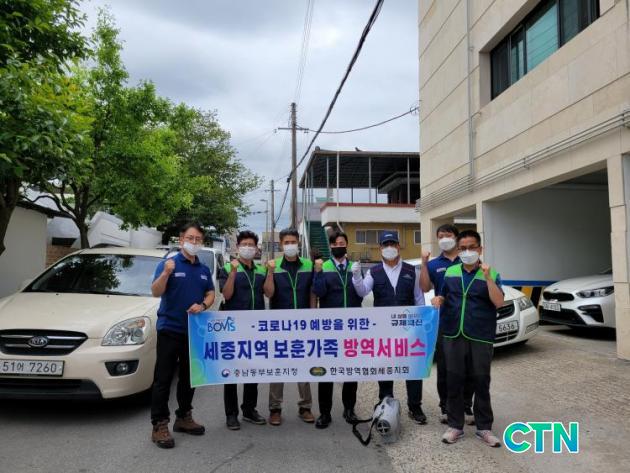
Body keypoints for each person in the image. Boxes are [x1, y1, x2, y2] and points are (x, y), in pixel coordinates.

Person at [431, 230, 504, 447]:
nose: (467, 252)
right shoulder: (451, 272)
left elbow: (498, 302)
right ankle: (455, 426)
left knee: (481, 381)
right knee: (454, 381)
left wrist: (488, 278)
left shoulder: (491, 273)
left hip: (480, 335)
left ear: (480, 249)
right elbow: (444, 295)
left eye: (472, 247)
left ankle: (484, 428)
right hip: (453, 333)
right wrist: (438, 299)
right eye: (463, 248)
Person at [150, 222, 216, 449]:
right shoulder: (168, 264)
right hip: (170, 329)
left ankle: (184, 417)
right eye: (190, 238)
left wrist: (203, 305)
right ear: (181, 240)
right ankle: (159, 424)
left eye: (198, 239)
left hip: (194, 332)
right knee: (163, 379)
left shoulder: (203, 269)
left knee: (190, 378)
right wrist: (166, 273)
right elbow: (155, 291)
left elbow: (210, 293)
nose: (194, 242)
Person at [352, 232, 428, 425]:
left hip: (408, 328)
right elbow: (362, 291)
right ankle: (386, 401)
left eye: (393, 244)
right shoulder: (374, 272)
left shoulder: (412, 270)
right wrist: (356, 276)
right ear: (380, 248)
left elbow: (419, 299)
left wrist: (420, 325)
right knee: (385, 365)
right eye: (386, 244)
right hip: (383, 329)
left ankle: (415, 406)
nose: (389, 248)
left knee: (413, 367)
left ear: (399, 246)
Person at [419, 224, 474, 426]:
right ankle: (445, 406)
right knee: (445, 367)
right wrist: (424, 264)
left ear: (456, 238)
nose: (444, 239)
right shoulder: (434, 264)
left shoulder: (468, 259)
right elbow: (425, 287)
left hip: (468, 320)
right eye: (441, 236)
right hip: (444, 322)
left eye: (448, 235)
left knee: (469, 366)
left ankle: (466, 405)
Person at [263, 228, 315, 426]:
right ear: (281, 244)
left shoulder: (308, 265)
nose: (291, 245)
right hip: (280, 325)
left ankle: (305, 407)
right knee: (278, 366)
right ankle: (275, 409)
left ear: (298, 243)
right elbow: (268, 293)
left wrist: (313, 315)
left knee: (303, 365)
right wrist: (270, 272)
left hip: (303, 324)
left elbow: (312, 292)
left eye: (293, 242)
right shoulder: (274, 266)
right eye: (287, 242)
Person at [312, 230, 363, 429]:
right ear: (331, 247)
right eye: (335, 244)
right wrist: (317, 273)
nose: (338, 246)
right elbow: (319, 292)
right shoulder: (323, 267)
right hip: (329, 328)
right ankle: (325, 413)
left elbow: (361, 293)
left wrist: (357, 275)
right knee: (326, 371)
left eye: (342, 243)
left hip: (352, 327)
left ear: (346, 245)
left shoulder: (354, 267)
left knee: (351, 370)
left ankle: (349, 409)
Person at [218, 230, 267, 431]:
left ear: (256, 248)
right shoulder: (227, 268)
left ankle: (249, 409)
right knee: (231, 372)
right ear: (238, 247)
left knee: (252, 371)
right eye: (244, 245)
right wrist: (232, 273)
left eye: (251, 245)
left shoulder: (261, 270)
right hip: (234, 327)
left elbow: (268, 293)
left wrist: (270, 273)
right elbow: (227, 295)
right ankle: (231, 414)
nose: (248, 248)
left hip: (255, 327)